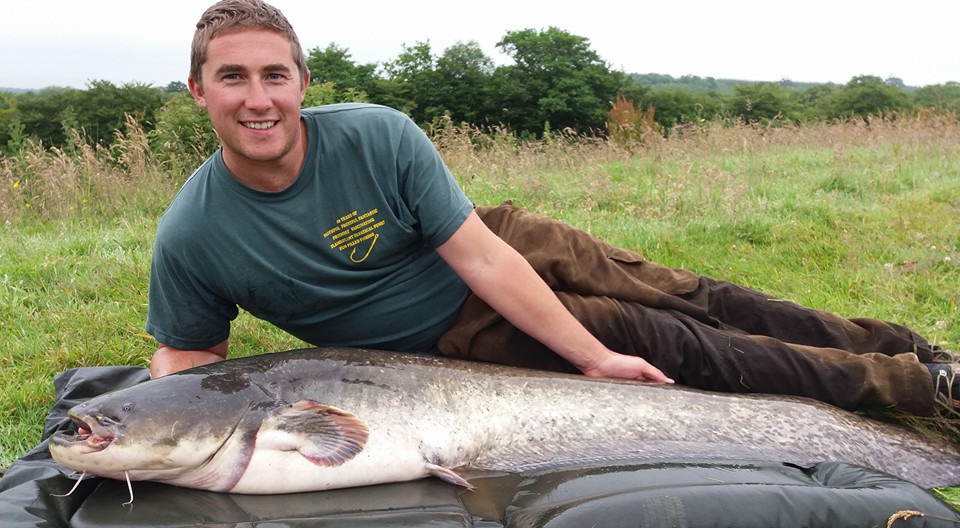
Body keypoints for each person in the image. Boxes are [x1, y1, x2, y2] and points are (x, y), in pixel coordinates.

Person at [147, 0, 957, 420]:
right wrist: (155, 423)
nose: (258, 100)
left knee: (693, 296)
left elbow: (484, 256)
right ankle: (921, 393)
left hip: (492, 245)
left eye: (274, 76)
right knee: (681, 345)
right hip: (451, 331)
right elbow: (188, 359)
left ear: (302, 83)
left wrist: (587, 357)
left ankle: (915, 349)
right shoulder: (194, 234)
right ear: (198, 91)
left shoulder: (376, 135)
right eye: (233, 79)